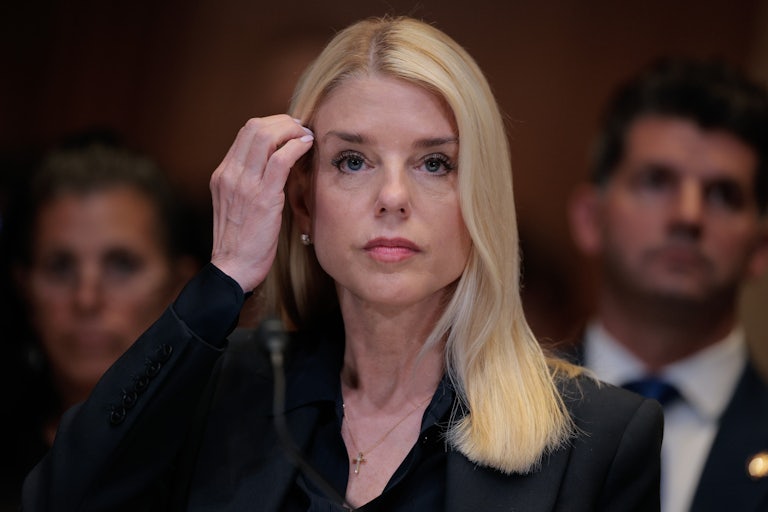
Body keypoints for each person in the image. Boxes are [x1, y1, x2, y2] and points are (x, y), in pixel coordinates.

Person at [23, 16, 663, 511]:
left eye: (434, 163)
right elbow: (63, 498)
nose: (392, 197)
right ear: (302, 199)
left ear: (481, 201)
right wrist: (221, 281)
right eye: (352, 161)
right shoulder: (223, 388)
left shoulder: (599, 438)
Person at [568, 57, 768, 512]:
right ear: (590, 219)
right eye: (656, 181)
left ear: (761, 249)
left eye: (723, 195)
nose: (688, 216)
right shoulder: (480, 419)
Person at [0, 135, 199, 509]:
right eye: (60, 267)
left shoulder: (234, 461)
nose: (86, 299)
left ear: (180, 287)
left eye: (121, 264)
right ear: (25, 287)